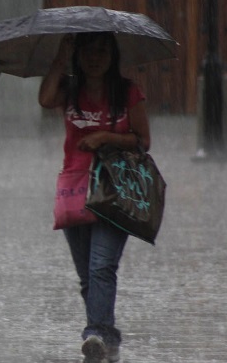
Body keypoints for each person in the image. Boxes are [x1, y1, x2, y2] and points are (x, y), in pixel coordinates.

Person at [38, 31, 151, 363]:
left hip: (115, 188)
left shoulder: (128, 92)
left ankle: (95, 333)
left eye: (102, 51)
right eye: (88, 51)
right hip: (75, 188)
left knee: (102, 266)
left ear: (112, 55)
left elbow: (143, 140)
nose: (95, 57)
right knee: (88, 275)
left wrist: (105, 137)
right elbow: (45, 99)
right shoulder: (70, 90)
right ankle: (107, 332)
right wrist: (60, 58)